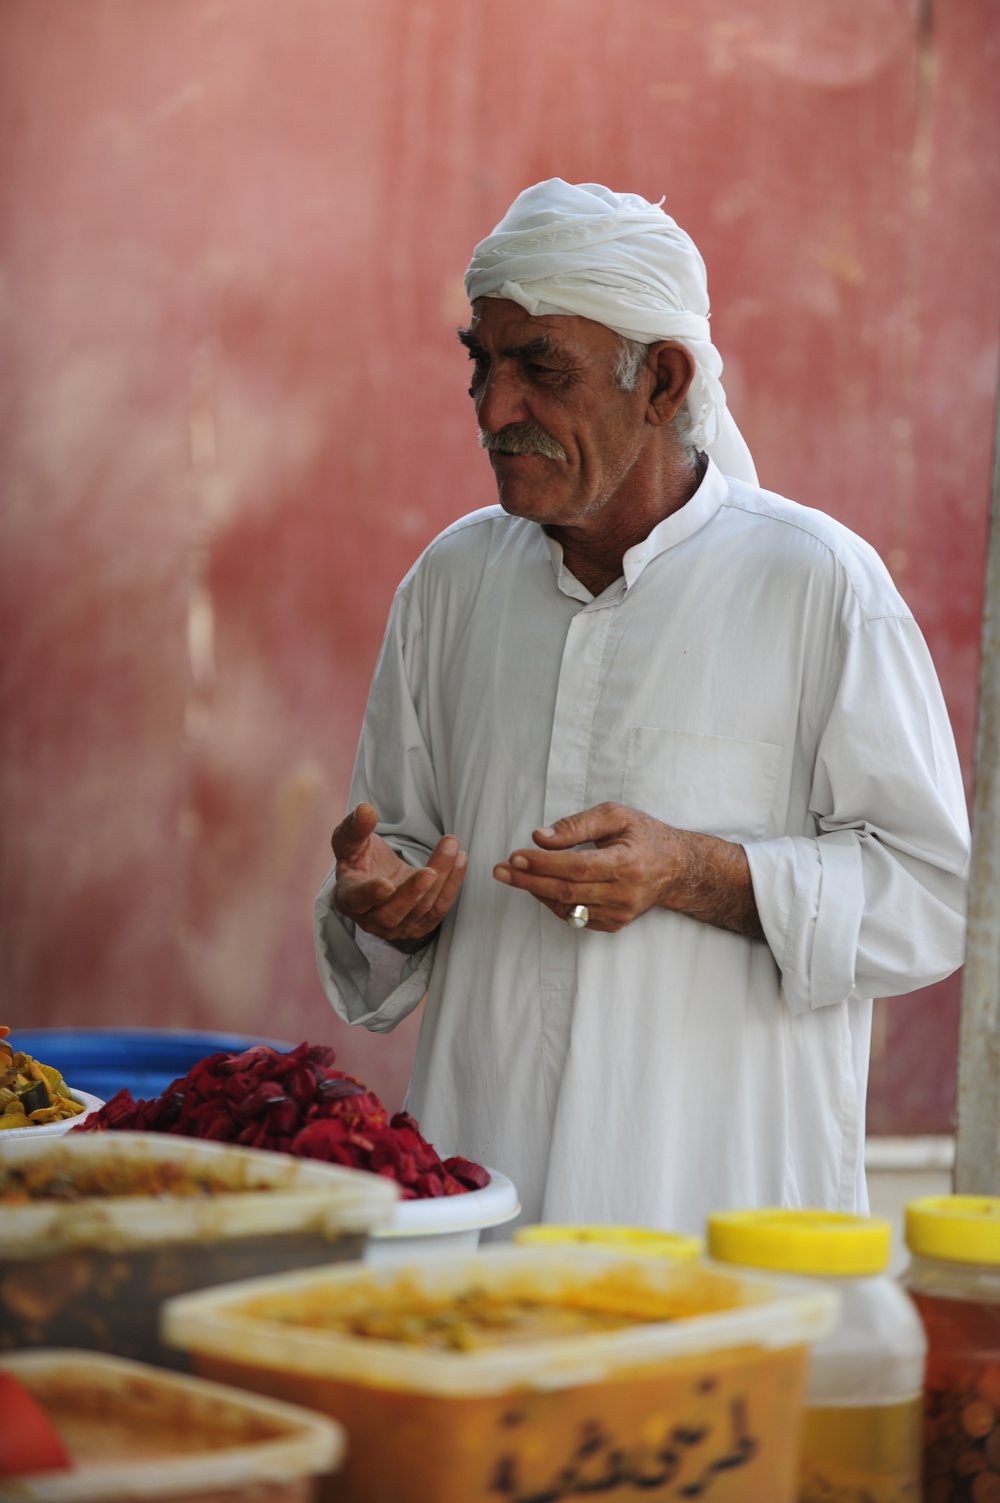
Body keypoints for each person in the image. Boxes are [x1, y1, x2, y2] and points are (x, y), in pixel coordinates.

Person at [314, 179, 970, 1234]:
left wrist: (698, 871)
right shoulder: (451, 584)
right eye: (482, 363)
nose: (493, 410)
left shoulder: (816, 585)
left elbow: (934, 900)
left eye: (541, 369)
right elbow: (399, 856)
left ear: (661, 380)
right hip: (485, 1214)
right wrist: (386, 903)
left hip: (719, 1226)